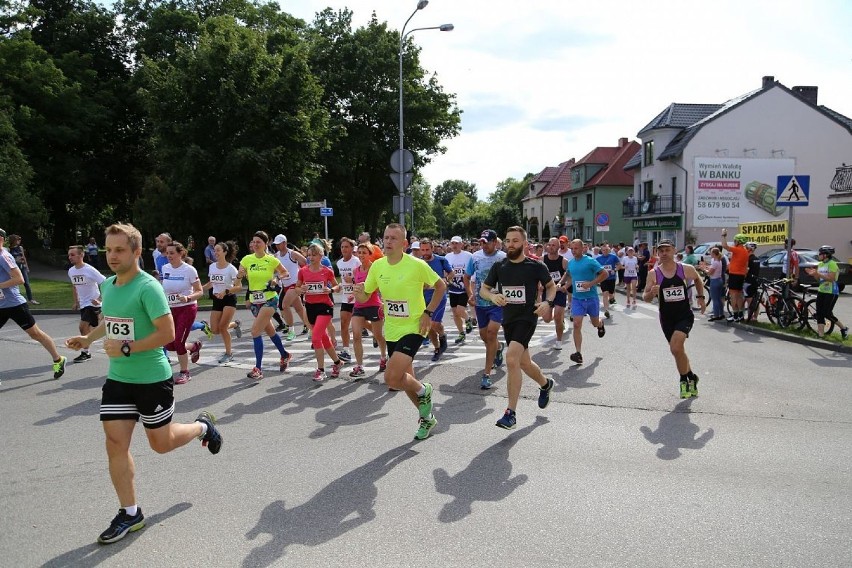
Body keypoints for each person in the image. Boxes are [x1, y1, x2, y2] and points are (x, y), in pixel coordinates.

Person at [64, 223, 222, 545]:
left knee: (160, 444)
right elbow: (110, 319)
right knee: (115, 443)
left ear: (136, 252)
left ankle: (202, 427)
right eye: (108, 250)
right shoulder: (108, 285)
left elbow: (167, 335)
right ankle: (130, 512)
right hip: (119, 379)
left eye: (119, 250)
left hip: (152, 379)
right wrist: (87, 337)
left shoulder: (147, 287)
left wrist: (126, 348)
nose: (112, 256)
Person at [353, 223, 446, 441]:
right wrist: (359, 293)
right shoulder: (377, 267)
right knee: (406, 380)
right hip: (392, 329)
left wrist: (428, 312)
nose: (388, 242)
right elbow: (365, 296)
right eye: (386, 238)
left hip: (415, 326)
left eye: (394, 238)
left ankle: (425, 390)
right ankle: (427, 419)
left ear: (404, 244)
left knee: (392, 379)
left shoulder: (416, 264)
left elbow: (440, 285)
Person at [480, 226, 557, 429]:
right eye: (508, 240)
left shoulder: (536, 266)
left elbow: (551, 286)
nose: (511, 244)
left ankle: (510, 413)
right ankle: (545, 384)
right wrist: (492, 296)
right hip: (509, 319)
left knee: (511, 358)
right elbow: (483, 289)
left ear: (524, 243)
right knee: (524, 363)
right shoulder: (500, 266)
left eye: (515, 241)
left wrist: (547, 303)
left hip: (527, 318)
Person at [643, 239, 707, 398]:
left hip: (684, 315)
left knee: (676, 348)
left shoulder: (685, 269)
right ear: (658, 253)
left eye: (667, 250)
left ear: (674, 251)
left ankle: (684, 380)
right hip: (666, 318)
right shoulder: (654, 273)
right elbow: (645, 297)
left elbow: (698, 279)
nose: (664, 253)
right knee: (678, 351)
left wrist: (700, 297)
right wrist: (652, 292)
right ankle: (692, 376)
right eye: (661, 251)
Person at [0, 228, 66, 379]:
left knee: (35, 334)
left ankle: (58, 359)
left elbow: (19, 279)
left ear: (1, 239)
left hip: (15, 304)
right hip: (1, 305)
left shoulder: (4, 256)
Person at [237, 231, 293, 380]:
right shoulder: (246, 260)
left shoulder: (271, 260)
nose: (255, 245)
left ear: (265, 244)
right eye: (253, 242)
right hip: (255, 301)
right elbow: (239, 281)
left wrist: (276, 278)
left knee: (255, 331)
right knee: (270, 331)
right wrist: (239, 277)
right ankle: (285, 354)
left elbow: (285, 273)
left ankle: (258, 368)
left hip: (270, 299)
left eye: (258, 242)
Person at [296, 243, 344, 382]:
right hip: (310, 307)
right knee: (323, 338)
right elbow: (297, 288)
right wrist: (302, 289)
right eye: (309, 255)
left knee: (316, 337)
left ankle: (320, 370)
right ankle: (337, 363)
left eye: (314, 255)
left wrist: (331, 290)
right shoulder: (303, 271)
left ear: (321, 256)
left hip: (325, 306)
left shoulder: (327, 271)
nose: (311, 257)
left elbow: (338, 286)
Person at [465, 229, 507, 389]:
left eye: (487, 242)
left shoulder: (503, 258)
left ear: (495, 242)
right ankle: (498, 347)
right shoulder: (475, 257)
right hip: (480, 304)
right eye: (481, 242)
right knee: (485, 336)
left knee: (491, 334)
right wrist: (470, 293)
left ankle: (486, 374)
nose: (483, 245)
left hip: (497, 303)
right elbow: (467, 276)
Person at [559, 239, 608, 364]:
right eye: (572, 249)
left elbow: (605, 274)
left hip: (591, 298)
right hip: (577, 299)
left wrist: (591, 284)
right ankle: (578, 353)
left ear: (582, 249)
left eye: (576, 248)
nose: (574, 251)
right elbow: (569, 274)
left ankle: (600, 325)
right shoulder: (571, 263)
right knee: (576, 324)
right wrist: (562, 283)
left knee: (595, 323)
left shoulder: (590, 261)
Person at [161, 242, 204, 384]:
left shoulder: (189, 270)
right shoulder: (165, 268)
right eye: (167, 253)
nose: (169, 256)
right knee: (168, 344)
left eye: (172, 253)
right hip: (170, 308)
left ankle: (185, 372)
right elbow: (163, 289)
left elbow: (200, 291)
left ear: (181, 254)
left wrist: (187, 297)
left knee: (179, 342)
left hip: (187, 308)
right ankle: (193, 346)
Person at [349, 242, 387, 378]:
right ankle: (359, 366)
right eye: (359, 253)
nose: (361, 255)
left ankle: (383, 357)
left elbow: (380, 287)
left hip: (374, 305)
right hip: (359, 306)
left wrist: (383, 301)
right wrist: (353, 295)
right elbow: (357, 288)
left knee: (378, 336)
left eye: (364, 253)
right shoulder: (356, 270)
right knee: (356, 335)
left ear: (370, 254)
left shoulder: (375, 269)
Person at [202, 241, 242, 363]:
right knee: (215, 330)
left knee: (223, 328)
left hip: (229, 299)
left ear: (225, 252)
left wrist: (226, 291)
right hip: (217, 299)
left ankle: (229, 353)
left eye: (218, 250)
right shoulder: (212, 267)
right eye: (215, 250)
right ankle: (235, 324)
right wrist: (199, 290)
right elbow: (211, 283)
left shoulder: (231, 269)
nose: (216, 253)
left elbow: (238, 286)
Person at [68, 245, 106, 362]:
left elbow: (105, 283)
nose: (70, 257)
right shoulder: (71, 271)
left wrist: (99, 298)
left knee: (83, 327)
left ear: (81, 255)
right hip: (84, 304)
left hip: (93, 304)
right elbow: (75, 287)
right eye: (69, 255)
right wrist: (76, 301)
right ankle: (100, 338)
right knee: (93, 328)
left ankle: (85, 352)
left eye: (73, 255)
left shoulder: (89, 270)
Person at [805, 245, 849, 340]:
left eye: (820, 253)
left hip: (831, 292)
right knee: (819, 313)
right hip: (821, 290)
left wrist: (818, 273)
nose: (819, 255)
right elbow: (819, 279)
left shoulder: (832, 264)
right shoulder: (820, 265)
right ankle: (821, 334)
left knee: (827, 313)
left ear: (826, 255)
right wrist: (814, 275)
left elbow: (831, 278)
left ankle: (844, 328)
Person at [419, 238, 452, 361]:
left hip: (438, 297)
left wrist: (446, 280)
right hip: (423, 298)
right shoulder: (418, 263)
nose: (425, 252)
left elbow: (451, 273)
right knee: (428, 327)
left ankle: (442, 335)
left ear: (432, 249)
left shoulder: (441, 260)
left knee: (434, 323)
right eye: (422, 250)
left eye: (427, 249)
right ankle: (437, 348)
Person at [272, 234, 309, 340]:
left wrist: (303, 276)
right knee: (299, 309)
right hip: (285, 285)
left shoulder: (292, 254)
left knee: (284, 305)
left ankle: (291, 330)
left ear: (285, 243)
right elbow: (273, 269)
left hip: (295, 284)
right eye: (276, 244)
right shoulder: (276, 256)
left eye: (279, 244)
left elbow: (305, 262)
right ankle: (310, 327)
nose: (278, 246)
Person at [335, 237, 361, 362]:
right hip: (346, 298)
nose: (344, 249)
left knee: (362, 325)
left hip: (358, 297)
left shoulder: (357, 261)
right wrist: (338, 287)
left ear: (352, 248)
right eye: (342, 247)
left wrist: (353, 281)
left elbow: (364, 278)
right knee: (344, 323)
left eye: (346, 247)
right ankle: (346, 351)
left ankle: (377, 338)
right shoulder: (339, 263)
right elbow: (343, 280)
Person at [445, 235, 474, 343]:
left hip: (464, 287)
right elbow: (446, 271)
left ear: (461, 244)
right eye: (453, 243)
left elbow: (472, 270)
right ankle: (461, 333)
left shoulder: (468, 256)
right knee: (455, 312)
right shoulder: (448, 256)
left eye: (457, 243)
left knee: (460, 309)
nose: (454, 245)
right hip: (453, 288)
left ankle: (468, 320)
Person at [541, 237, 569, 349]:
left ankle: (559, 341)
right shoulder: (542, 260)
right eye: (549, 245)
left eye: (553, 245)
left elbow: (569, 276)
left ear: (558, 247)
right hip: (547, 292)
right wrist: (539, 285)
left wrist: (565, 286)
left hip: (559, 292)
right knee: (547, 319)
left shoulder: (564, 261)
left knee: (557, 316)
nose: (551, 247)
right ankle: (559, 317)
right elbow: (537, 275)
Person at [720, 230, 750, 322]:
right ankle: (741, 314)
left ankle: (735, 315)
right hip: (741, 275)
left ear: (739, 241)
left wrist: (724, 235)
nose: (734, 242)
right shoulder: (745, 251)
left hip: (734, 274)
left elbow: (724, 246)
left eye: (735, 241)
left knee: (733, 295)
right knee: (739, 295)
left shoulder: (738, 249)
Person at [7, 234, 38, 304]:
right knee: (15, 284)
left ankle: (31, 299)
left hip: (22, 266)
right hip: (15, 268)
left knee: (26, 283)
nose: (19, 241)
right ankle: (15, 299)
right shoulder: (9, 249)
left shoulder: (20, 248)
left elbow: (24, 257)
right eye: (18, 239)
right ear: (13, 241)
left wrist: (26, 266)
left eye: (19, 239)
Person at [595, 243, 620, 319]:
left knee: (611, 293)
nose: (605, 251)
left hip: (612, 278)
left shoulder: (613, 257)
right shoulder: (598, 259)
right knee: (605, 293)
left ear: (609, 250)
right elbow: (595, 268)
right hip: (603, 278)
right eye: (603, 250)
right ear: (601, 251)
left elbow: (619, 265)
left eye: (606, 250)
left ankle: (612, 298)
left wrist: (615, 269)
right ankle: (606, 310)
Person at [705, 247, 726, 322]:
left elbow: (710, 272)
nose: (710, 254)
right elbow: (712, 268)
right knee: (719, 298)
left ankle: (716, 315)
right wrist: (707, 267)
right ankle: (721, 314)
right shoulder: (719, 261)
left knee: (715, 299)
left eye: (711, 253)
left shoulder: (715, 262)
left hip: (714, 281)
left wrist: (703, 269)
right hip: (719, 280)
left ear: (714, 254)